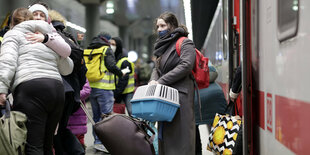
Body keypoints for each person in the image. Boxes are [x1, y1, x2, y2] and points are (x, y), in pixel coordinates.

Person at [0, 8, 73, 155]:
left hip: (31, 89)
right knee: (48, 144)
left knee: (33, 146)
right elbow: (67, 68)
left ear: (12, 22)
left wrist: (2, 89)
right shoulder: (47, 37)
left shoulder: (12, 34)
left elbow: (7, 62)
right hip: (57, 90)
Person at [149, 12, 196, 154]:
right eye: (157, 26)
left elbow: (186, 65)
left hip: (181, 97)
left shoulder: (185, 42)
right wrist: (153, 80)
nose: (159, 29)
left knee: (181, 138)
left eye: (163, 25)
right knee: (168, 138)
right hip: (166, 97)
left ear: (172, 25)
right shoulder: (163, 46)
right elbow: (157, 67)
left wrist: (161, 81)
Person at [48, 9, 87, 155]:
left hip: (56, 90)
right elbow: (83, 69)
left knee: (52, 131)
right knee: (61, 129)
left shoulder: (51, 37)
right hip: (70, 92)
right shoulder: (69, 38)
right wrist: (77, 89)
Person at [86, 32, 129, 152]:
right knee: (107, 118)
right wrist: (121, 73)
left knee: (96, 117)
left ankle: (97, 141)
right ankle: (106, 143)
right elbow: (110, 65)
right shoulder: (106, 49)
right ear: (107, 40)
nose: (111, 45)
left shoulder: (90, 49)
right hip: (105, 88)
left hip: (92, 88)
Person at [194, 63, 227, 154]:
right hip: (216, 95)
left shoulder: (183, 57)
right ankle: (222, 151)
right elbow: (213, 71)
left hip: (196, 98)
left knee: (193, 130)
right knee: (219, 130)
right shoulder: (201, 59)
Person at [110, 37, 135, 115]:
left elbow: (123, 80)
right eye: (110, 44)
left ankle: (138, 126)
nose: (111, 46)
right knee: (118, 112)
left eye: (113, 44)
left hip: (127, 92)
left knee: (132, 112)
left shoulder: (124, 62)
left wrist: (116, 93)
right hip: (119, 91)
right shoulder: (115, 61)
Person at [67, 80, 91, 149]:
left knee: (79, 145)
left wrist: (71, 95)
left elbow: (86, 91)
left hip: (78, 117)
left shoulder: (80, 72)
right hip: (65, 119)